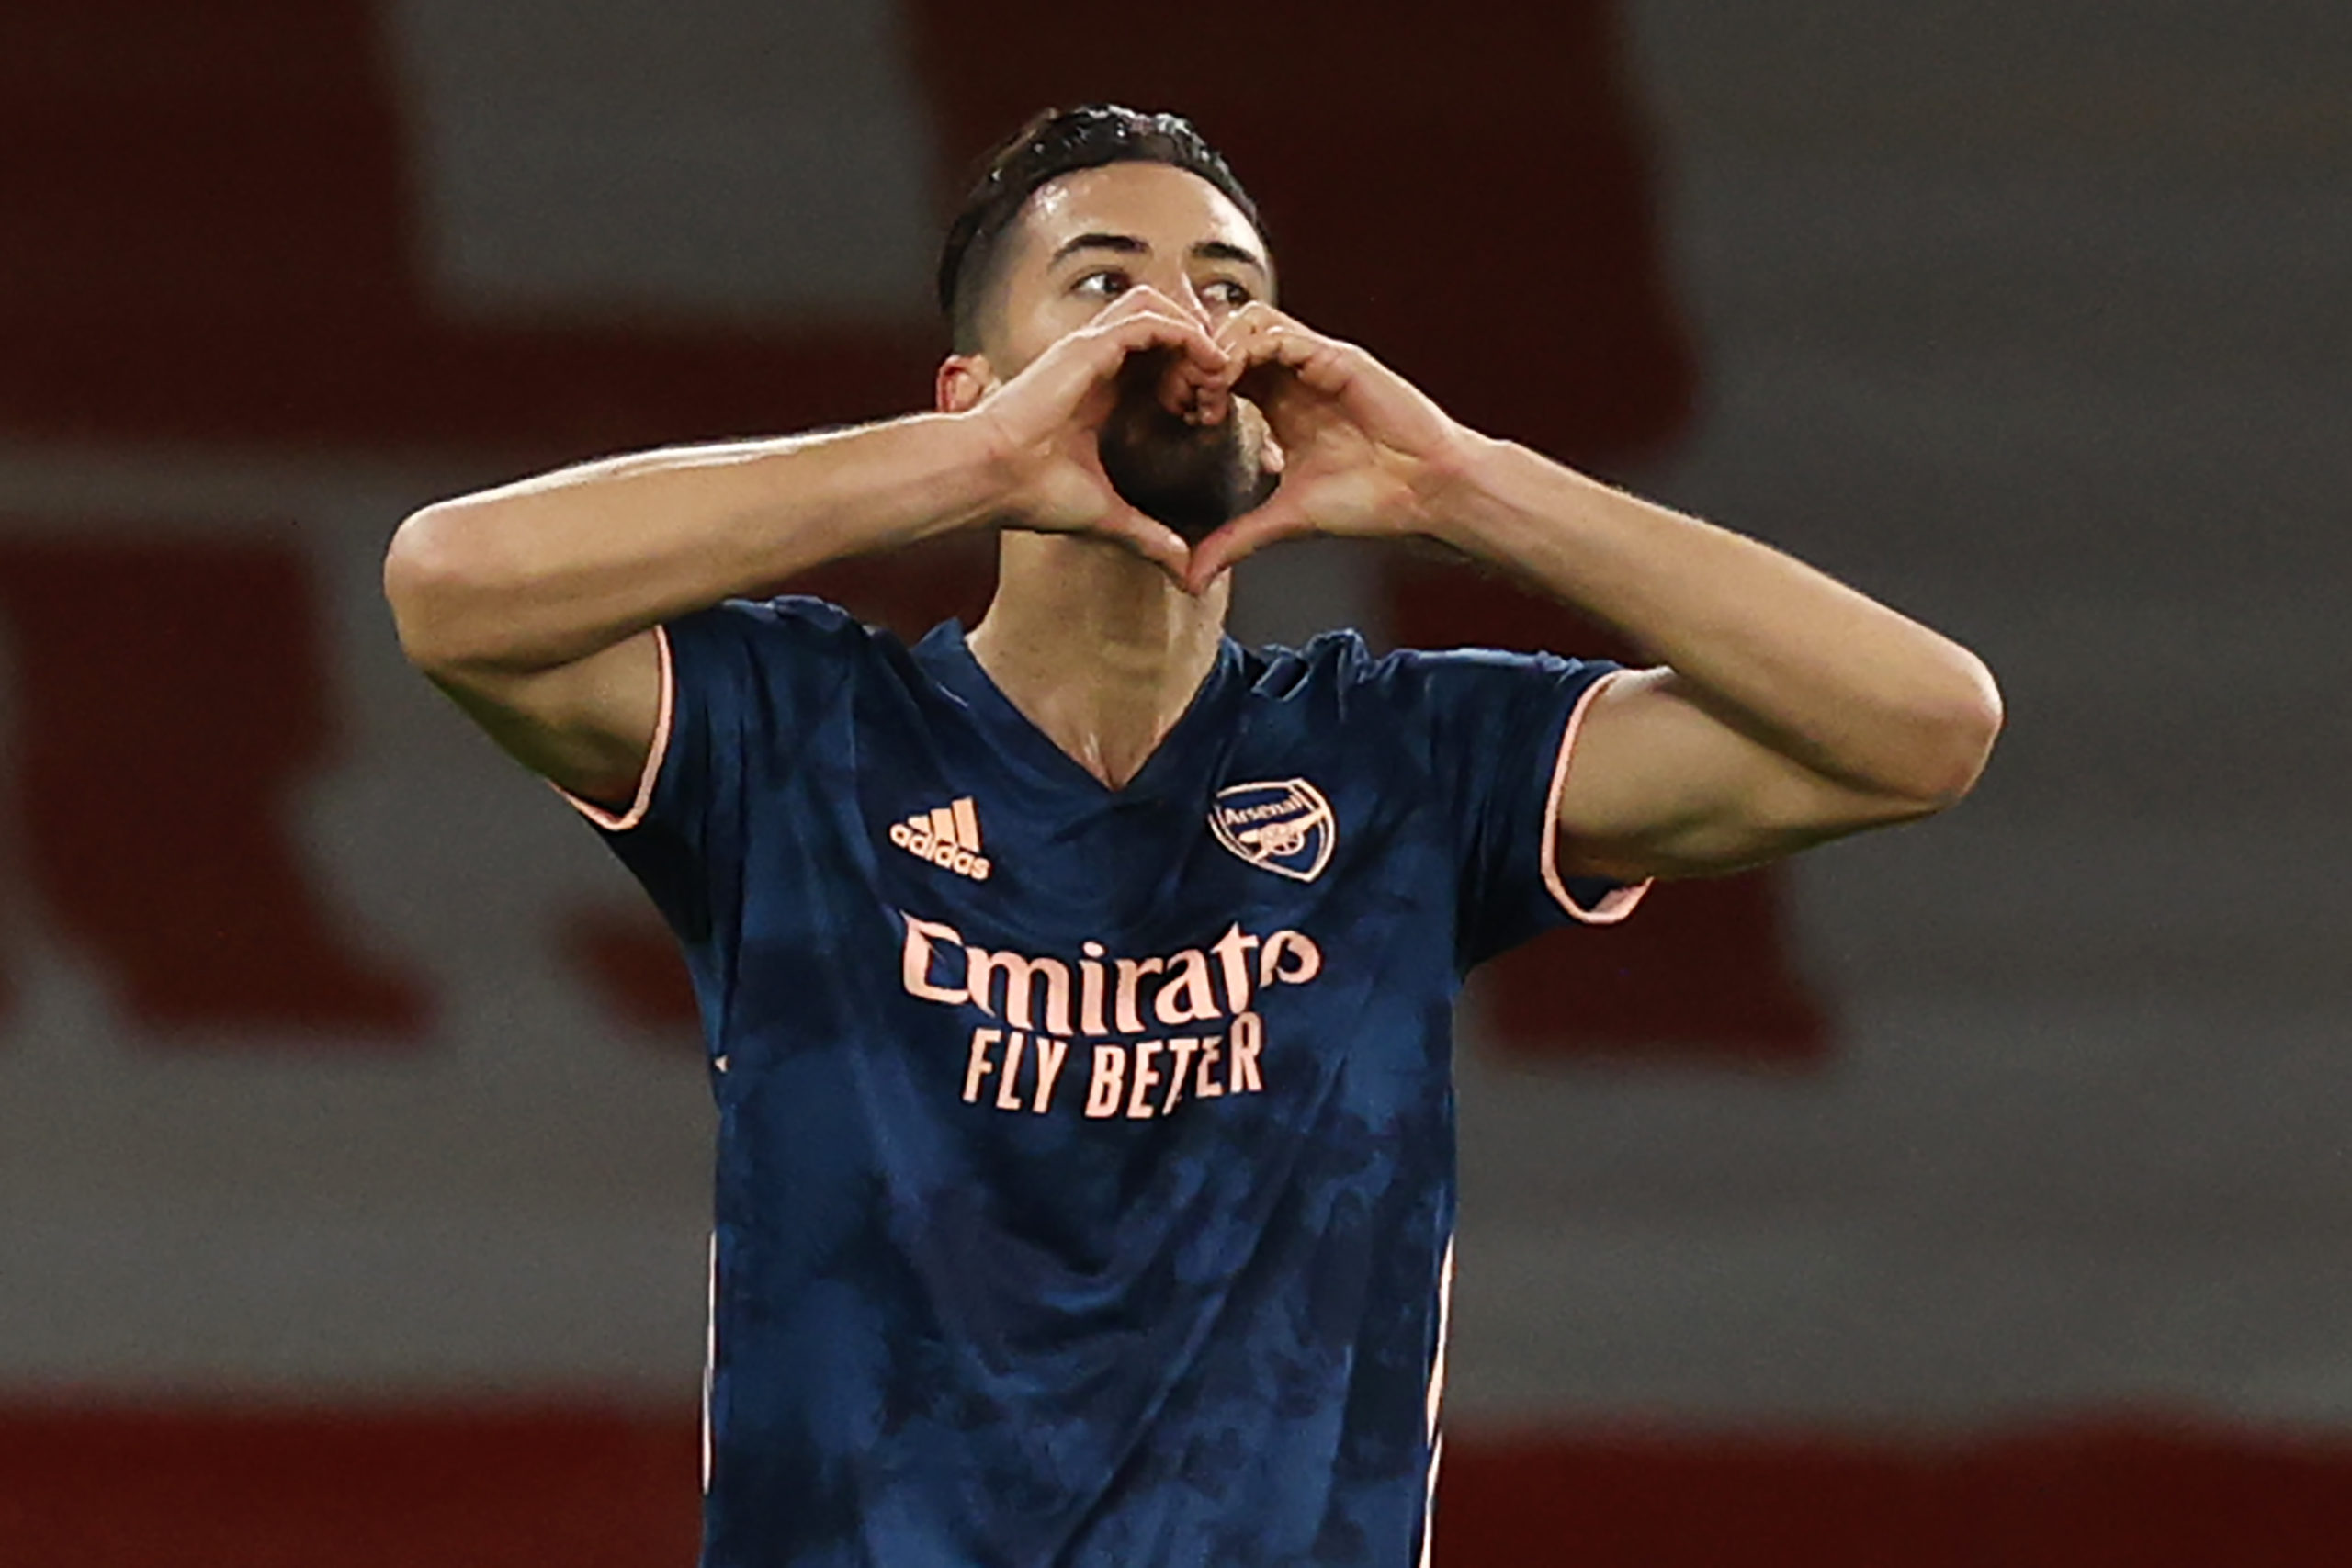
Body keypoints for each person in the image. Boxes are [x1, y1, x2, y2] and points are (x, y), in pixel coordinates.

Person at [385, 104, 1999, 1568]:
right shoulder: (804, 741)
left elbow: (1921, 728)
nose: (1183, 323)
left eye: (1230, 287)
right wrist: (960, 468)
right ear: (971, 386)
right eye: (1102, 283)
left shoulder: (1402, 761)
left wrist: (1463, 484)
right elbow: (453, 592)